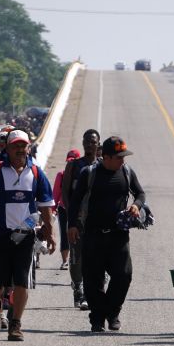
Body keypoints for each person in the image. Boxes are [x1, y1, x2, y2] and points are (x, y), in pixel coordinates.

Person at [0, 130, 56, 341]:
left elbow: (46, 206)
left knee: (21, 283)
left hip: (25, 238)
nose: (19, 150)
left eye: (23, 146)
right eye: (15, 145)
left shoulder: (35, 172)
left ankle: (15, 324)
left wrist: (50, 233)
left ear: (28, 148)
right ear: (6, 148)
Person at [67, 136, 145, 332]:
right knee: (93, 279)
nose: (122, 160)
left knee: (124, 275)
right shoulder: (89, 173)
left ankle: (112, 312)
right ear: (106, 157)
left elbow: (140, 193)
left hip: (119, 235)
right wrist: (72, 225)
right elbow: (75, 200)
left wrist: (136, 205)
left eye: (123, 156)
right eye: (118, 157)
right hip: (92, 235)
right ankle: (97, 318)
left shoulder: (126, 172)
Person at [62, 129, 101, 310]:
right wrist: (72, 218)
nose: (89, 145)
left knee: (94, 257)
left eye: (93, 142)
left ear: (98, 144)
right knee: (77, 258)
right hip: (77, 221)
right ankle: (77, 287)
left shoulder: (103, 166)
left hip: (96, 221)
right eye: (86, 141)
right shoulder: (74, 166)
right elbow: (66, 193)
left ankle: (88, 292)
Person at [53, 149, 81, 270]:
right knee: (64, 235)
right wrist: (53, 209)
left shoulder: (84, 174)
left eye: (73, 161)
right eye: (69, 161)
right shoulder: (61, 175)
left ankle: (78, 261)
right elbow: (56, 194)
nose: (70, 163)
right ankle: (65, 261)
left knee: (79, 236)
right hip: (64, 209)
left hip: (80, 210)